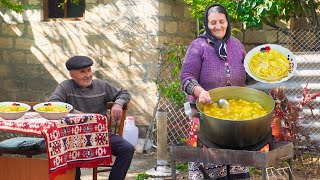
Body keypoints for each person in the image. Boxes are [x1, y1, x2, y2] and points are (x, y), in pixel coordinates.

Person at [180, 3, 251, 180]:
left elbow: (248, 76)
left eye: (221, 21)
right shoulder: (198, 46)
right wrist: (199, 92)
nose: (218, 26)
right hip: (206, 115)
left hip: (234, 116)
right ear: (206, 24)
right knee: (210, 170)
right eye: (213, 23)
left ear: (227, 22)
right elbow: (186, 77)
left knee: (236, 169)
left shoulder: (236, 45)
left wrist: (268, 78)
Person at [48, 55, 135, 180]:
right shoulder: (65, 87)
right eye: (82, 72)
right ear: (72, 75)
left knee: (127, 148)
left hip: (100, 135)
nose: (88, 75)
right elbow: (54, 104)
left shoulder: (101, 85)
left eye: (89, 70)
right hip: (75, 137)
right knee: (68, 150)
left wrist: (118, 103)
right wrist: (79, 114)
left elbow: (124, 93)